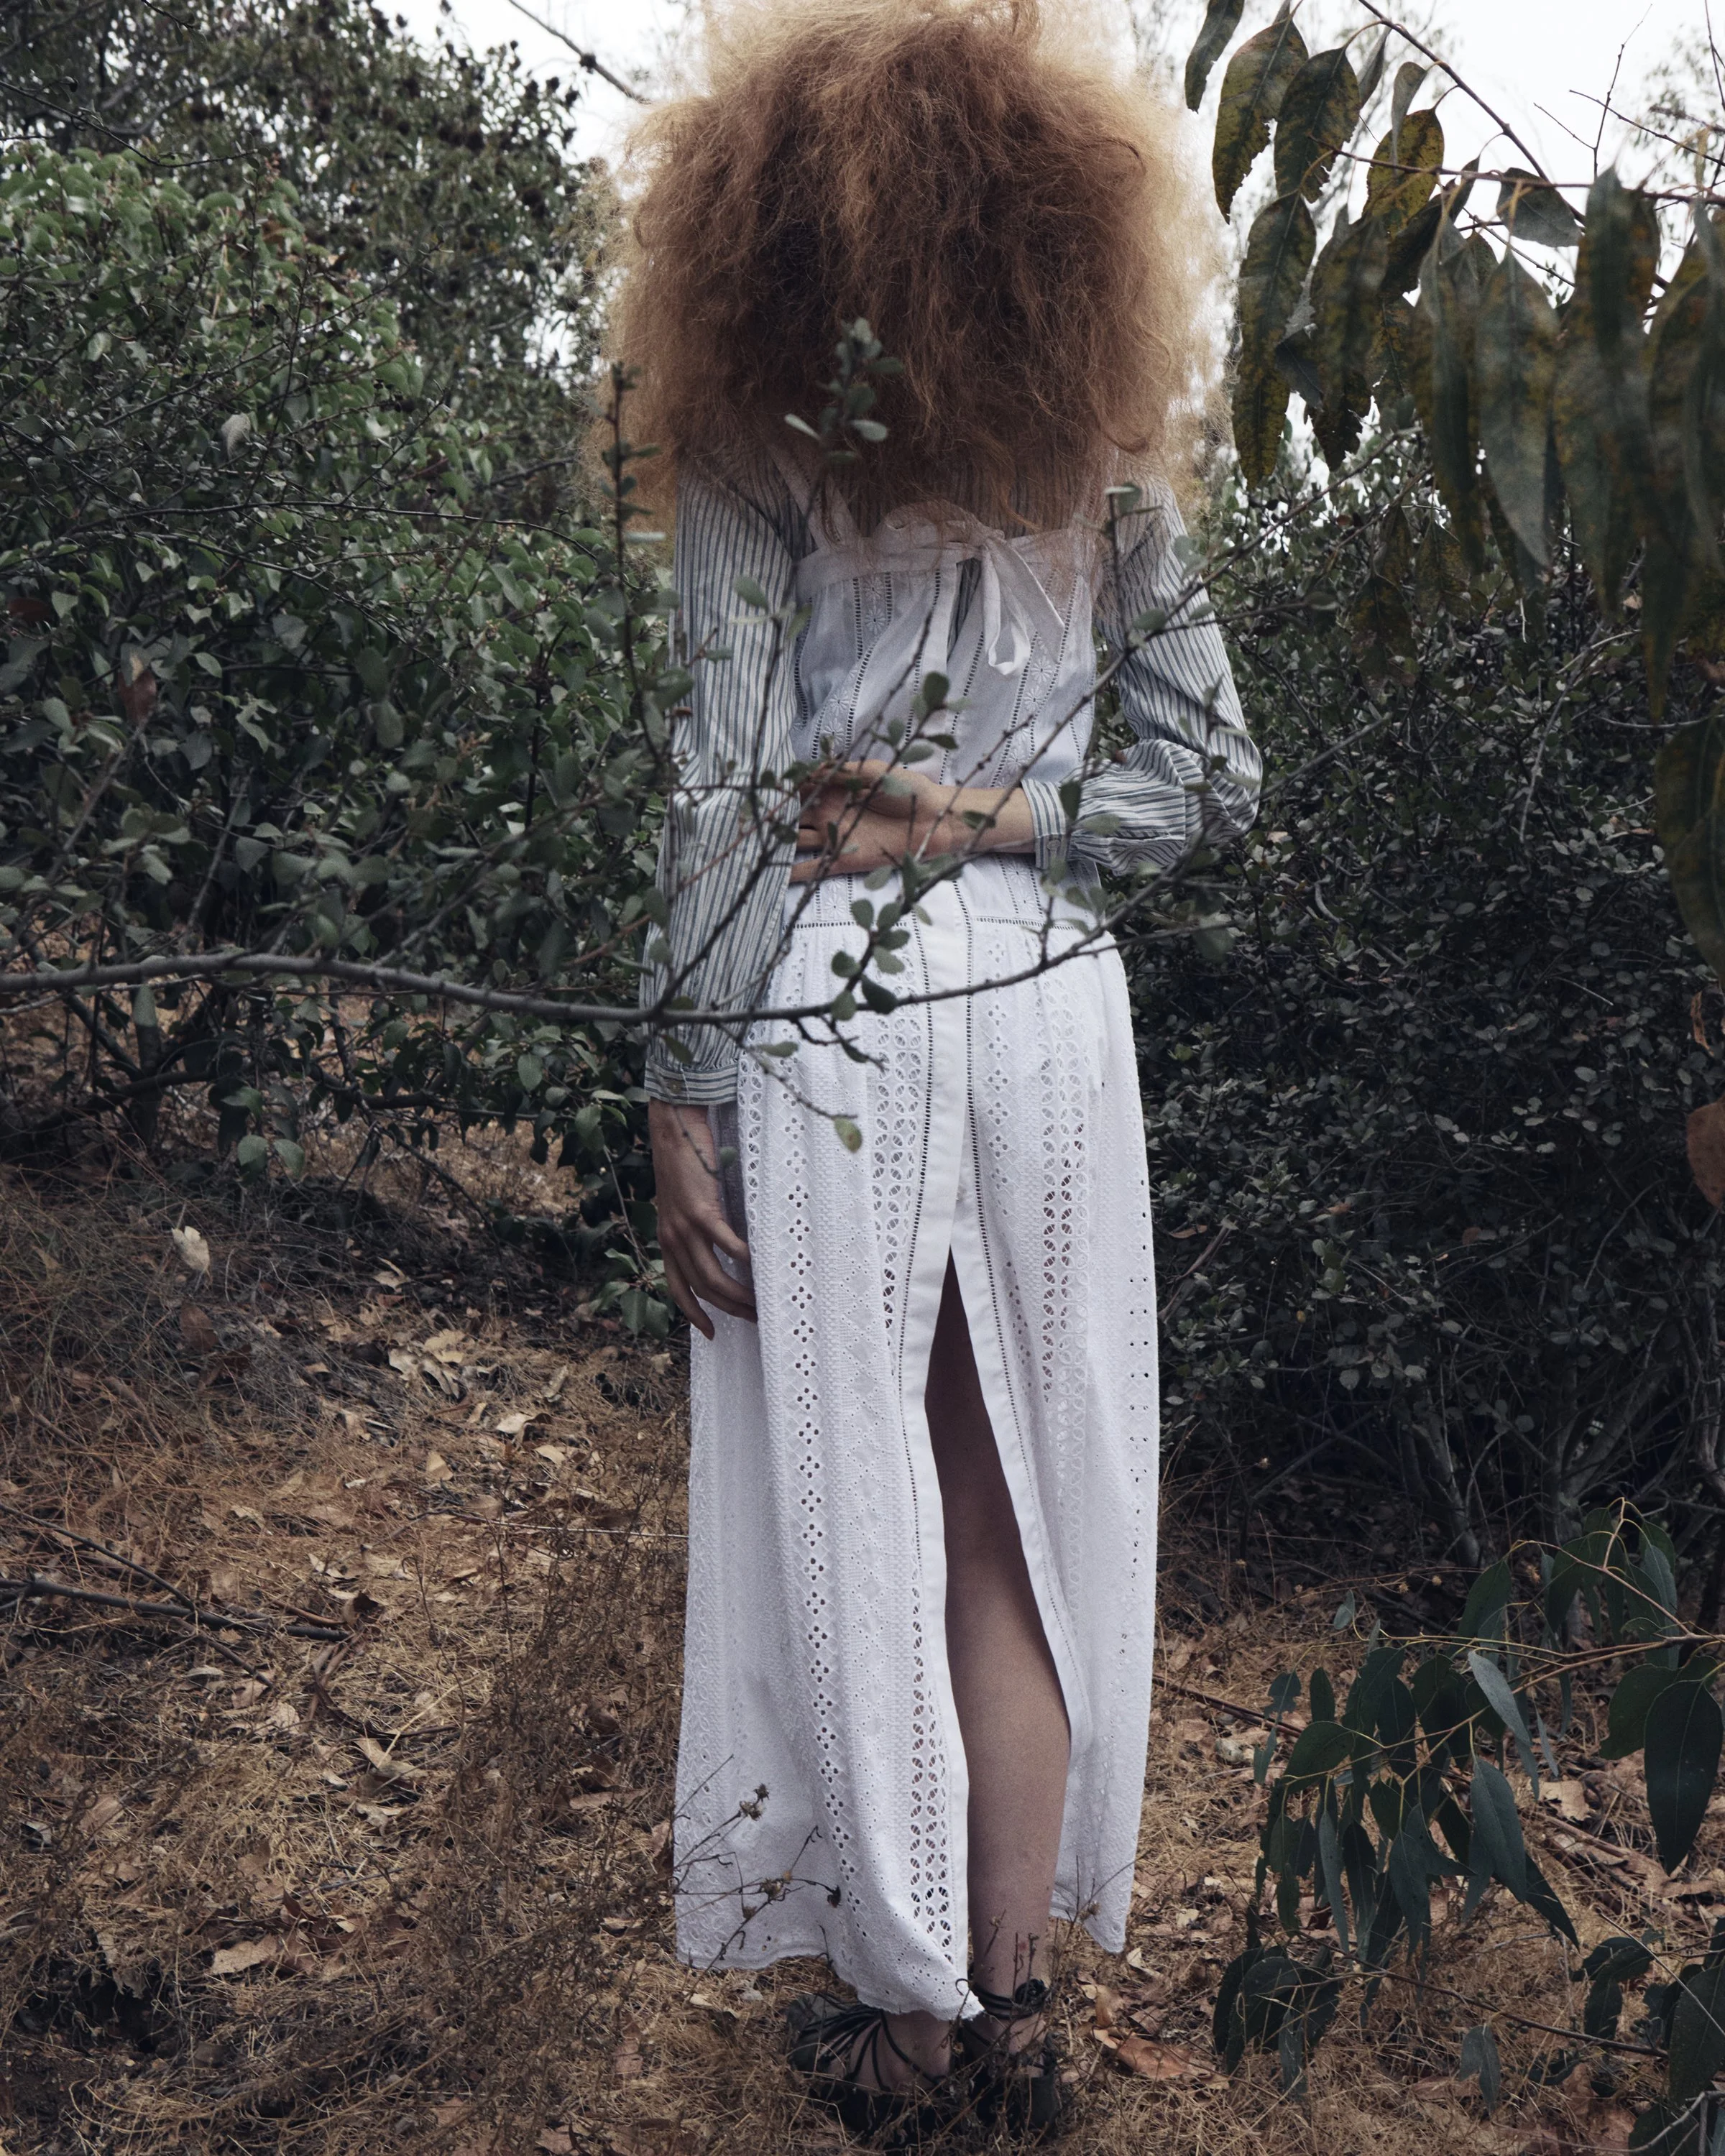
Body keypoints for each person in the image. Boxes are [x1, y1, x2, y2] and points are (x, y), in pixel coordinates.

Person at [612, 0, 1261, 2139]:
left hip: (841, 1000)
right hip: (1055, 999)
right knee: (1014, 1493)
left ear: (775, 228)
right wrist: (996, 823)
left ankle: (903, 2018)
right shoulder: (1104, 458)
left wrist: (681, 1084)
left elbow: (723, 790)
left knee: (853, 1491)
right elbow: (1209, 788)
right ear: (1050, 227)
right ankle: (1003, 1994)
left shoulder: (756, 435)